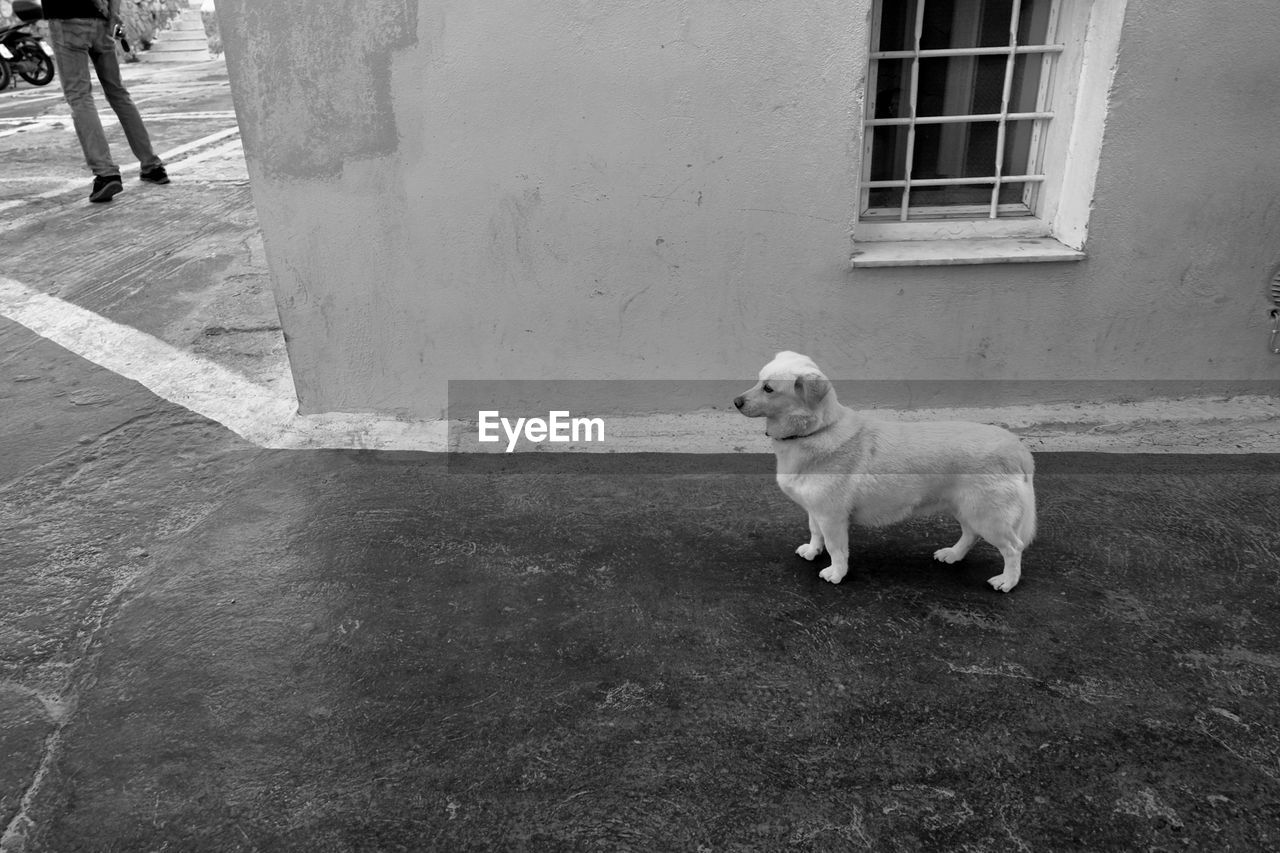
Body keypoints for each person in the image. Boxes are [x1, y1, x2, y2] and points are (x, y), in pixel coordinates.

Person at [43, 0, 169, 203]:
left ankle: (106, 174)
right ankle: (152, 166)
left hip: (67, 20)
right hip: (102, 20)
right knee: (118, 93)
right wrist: (113, 14)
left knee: (79, 96)